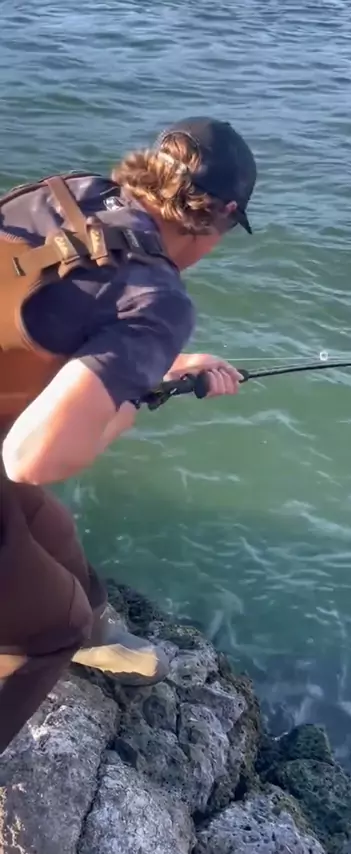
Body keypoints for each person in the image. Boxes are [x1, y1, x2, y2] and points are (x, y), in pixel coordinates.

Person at [0, 116, 257, 752]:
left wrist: (150, 364)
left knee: (53, 531)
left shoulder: (70, 194)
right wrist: (134, 393)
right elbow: (31, 458)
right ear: (223, 214)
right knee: (52, 631)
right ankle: (56, 636)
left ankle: (92, 635)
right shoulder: (158, 298)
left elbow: (46, 322)